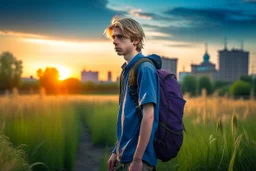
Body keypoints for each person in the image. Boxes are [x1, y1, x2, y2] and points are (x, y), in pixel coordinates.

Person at [103, 16, 161, 171]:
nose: (115, 41)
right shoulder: (126, 71)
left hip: (139, 160)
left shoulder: (145, 69)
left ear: (135, 40)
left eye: (120, 37)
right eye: (114, 37)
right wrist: (116, 151)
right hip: (125, 155)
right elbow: (126, 117)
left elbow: (149, 116)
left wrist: (137, 159)